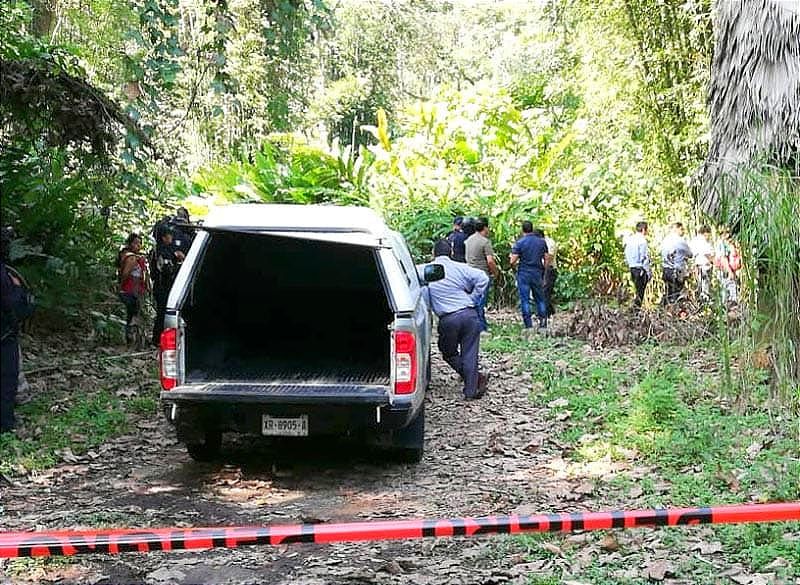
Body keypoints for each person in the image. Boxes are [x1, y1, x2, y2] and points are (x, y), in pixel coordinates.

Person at [423, 239, 489, 400]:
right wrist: (473, 298)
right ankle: (471, 388)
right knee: (470, 352)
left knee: (448, 352)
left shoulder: (426, 271)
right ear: (451, 252)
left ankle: (474, 380)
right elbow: (483, 278)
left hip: (448, 319)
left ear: (433, 253)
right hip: (469, 314)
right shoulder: (460, 267)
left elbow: (418, 289)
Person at [1, 227, 34, 434]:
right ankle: (5, 423)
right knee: (6, 378)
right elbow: (17, 306)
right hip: (4, 335)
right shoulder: (7, 275)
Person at [510, 222, 549, 330]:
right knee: (540, 298)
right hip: (537, 272)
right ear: (532, 229)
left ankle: (528, 325)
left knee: (525, 299)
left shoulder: (520, 243)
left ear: (523, 230)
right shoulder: (541, 242)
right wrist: (544, 270)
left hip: (524, 273)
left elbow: (512, 261)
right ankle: (543, 323)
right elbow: (547, 258)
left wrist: (514, 267)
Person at [150, 226, 184, 346]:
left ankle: (159, 337)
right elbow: (165, 269)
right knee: (162, 313)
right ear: (164, 237)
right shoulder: (161, 251)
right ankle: (157, 339)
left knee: (164, 313)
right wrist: (176, 258)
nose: (172, 238)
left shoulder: (167, 250)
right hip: (162, 286)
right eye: (169, 236)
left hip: (165, 286)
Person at [464, 218, 498, 332]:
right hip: (481, 275)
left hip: (469, 274)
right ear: (485, 228)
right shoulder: (485, 242)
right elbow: (490, 261)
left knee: (472, 300)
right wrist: (495, 272)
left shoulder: (468, 240)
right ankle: (480, 327)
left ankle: (473, 325)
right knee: (480, 301)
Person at [117, 233, 149, 345]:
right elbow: (125, 273)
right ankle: (129, 338)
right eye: (136, 243)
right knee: (131, 315)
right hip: (130, 290)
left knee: (131, 315)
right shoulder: (131, 258)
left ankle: (130, 338)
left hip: (133, 290)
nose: (138, 246)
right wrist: (121, 286)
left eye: (140, 243)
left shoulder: (133, 256)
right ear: (130, 244)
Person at [660, 222, 693, 304]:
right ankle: (674, 311)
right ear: (676, 229)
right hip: (677, 270)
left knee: (669, 292)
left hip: (666, 269)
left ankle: (666, 311)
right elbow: (690, 254)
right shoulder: (680, 241)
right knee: (677, 293)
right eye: (681, 229)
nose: (683, 231)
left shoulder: (665, 240)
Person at [624, 221, 652, 309]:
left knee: (636, 291)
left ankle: (634, 312)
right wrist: (648, 272)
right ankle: (634, 313)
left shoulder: (630, 240)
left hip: (632, 268)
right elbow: (644, 257)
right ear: (644, 230)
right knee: (640, 293)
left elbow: (626, 254)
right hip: (640, 269)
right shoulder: (642, 241)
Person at [534, 228, 557, 317]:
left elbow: (549, 258)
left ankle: (544, 313)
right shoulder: (539, 243)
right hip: (541, 268)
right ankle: (549, 310)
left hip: (549, 269)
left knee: (545, 290)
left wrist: (545, 271)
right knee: (542, 291)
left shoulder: (550, 243)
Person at [715, 229, 741, 304]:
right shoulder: (722, 244)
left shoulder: (727, 243)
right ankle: (729, 306)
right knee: (729, 290)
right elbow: (723, 259)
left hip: (728, 269)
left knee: (727, 289)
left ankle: (727, 306)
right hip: (726, 270)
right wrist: (730, 272)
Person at [689, 225, 715, 301]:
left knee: (700, 284)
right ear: (705, 233)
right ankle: (705, 301)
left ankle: (701, 300)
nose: (709, 236)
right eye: (708, 234)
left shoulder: (694, 241)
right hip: (705, 265)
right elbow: (706, 253)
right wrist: (712, 260)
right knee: (705, 285)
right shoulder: (703, 241)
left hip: (698, 265)